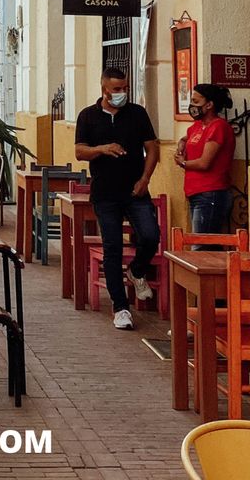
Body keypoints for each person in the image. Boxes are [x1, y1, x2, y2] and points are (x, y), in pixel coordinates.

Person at [75, 68, 160, 331]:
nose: (122, 93)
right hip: (105, 194)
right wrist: (102, 148)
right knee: (113, 248)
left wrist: (145, 179)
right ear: (104, 88)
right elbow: (80, 152)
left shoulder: (137, 114)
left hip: (135, 191)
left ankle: (136, 271)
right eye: (116, 89)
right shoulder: (88, 116)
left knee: (150, 235)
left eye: (125, 88)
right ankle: (121, 307)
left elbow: (153, 148)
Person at [174, 84, 235, 234]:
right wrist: (181, 144)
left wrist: (182, 162)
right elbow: (185, 138)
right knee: (204, 245)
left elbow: (204, 163)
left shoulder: (218, 127)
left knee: (201, 246)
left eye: (196, 101)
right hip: (195, 192)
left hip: (211, 192)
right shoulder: (197, 126)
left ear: (209, 105)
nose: (192, 106)